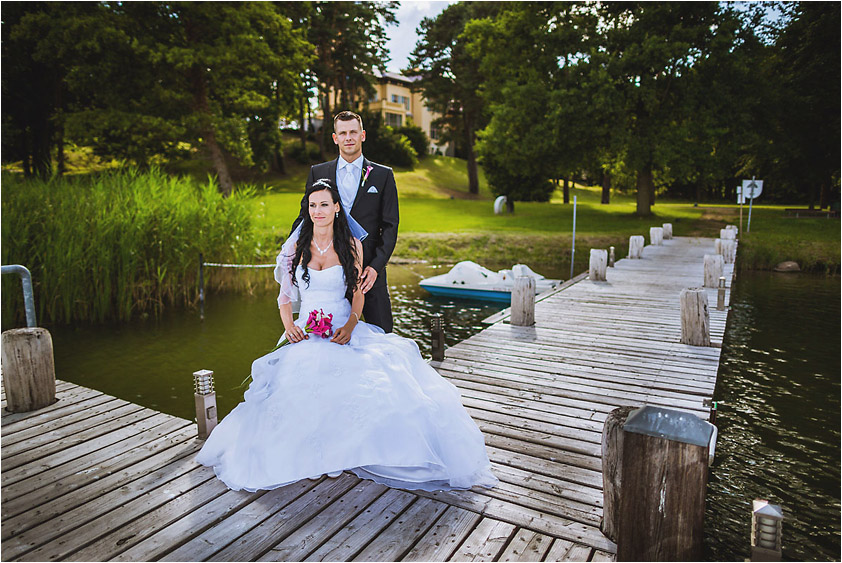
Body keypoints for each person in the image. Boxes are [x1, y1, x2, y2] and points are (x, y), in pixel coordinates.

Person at [196, 179, 498, 493]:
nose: (318, 211)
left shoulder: (352, 244)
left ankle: (341, 453)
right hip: (306, 332)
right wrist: (289, 327)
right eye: (313, 205)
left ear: (337, 207)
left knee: (373, 387)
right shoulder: (296, 246)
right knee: (299, 381)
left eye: (324, 204)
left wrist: (351, 325)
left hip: (343, 328)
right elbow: (284, 296)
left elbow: (356, 294)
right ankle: (311, 456)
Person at [291, 110, 398, 333]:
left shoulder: (382, 175)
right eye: (343, 133)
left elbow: (390, 226)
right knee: (328, 339)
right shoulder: (318, 172)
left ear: (363, 135)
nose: (348, 137)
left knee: (384, 336)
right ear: (335, 138)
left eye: (353, 132)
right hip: (330, 275)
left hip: (368, 272)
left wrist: (376, 267)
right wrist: (292, 253)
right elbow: (305, 217)